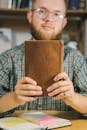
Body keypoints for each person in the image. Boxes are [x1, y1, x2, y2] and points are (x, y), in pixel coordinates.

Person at [0, 0, 87, 118]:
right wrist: (14, 98)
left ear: (64, 22)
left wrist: (72, 97)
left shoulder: (76, 59)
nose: (49, 19)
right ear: (30, 16)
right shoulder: (7, 58)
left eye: (56, 14)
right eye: (42, 11)